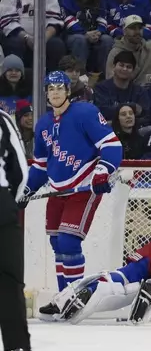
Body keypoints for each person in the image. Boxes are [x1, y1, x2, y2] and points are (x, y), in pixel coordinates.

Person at [18, 71, 123, 321]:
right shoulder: (43, 124)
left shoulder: (84, 112)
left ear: (68, 90)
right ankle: (64, 297)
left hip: (83, 187)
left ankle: (74, 300)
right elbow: (42, 165)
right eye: (50, 88)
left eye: (59, 87)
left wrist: (102, 172)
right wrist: (27, 189)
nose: (55, 92)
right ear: (46, 93)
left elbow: (111, 145)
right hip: (57, 189)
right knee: (57, 245)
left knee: (68, 241)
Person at [0, 107, 30, 351]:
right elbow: (20, 169)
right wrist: (10, 199)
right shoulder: (1, 118)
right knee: (8, 278)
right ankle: (16, 345)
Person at [0, 0, 66, 72]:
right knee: (14, 43)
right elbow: (8, 23)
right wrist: (27, 38)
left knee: (57, 44)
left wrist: (43, 39)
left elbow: (54, 21)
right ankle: (20, 78)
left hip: (44, 37)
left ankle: (51, 79)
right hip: (21, 37)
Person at [60, 0, 115, 73]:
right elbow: (67, 18)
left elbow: (103, 17)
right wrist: (85, 33)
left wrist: (99, 31)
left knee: (107, 40)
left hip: (94, 33)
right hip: (73, 34)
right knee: (80, 40)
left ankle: (105, 76)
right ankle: (80, 76)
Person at [105, 15, 151, 87]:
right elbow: (110, 82)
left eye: (140, 28)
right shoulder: (116, 52)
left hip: (149, 93)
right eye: (133, 28)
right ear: (124, 31)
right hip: (126, 94)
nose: (137, 32)